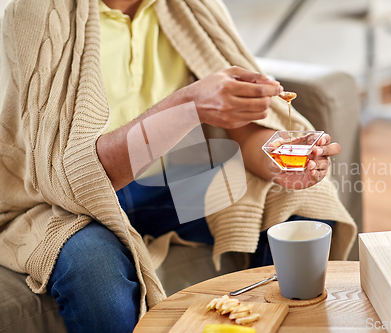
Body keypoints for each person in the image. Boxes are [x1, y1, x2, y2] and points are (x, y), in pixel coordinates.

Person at [0, 0, 357, 332]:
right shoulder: (38, 11)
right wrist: (188, 104)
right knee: (95, 272)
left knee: (303, 209)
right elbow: (73, 176)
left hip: (172, 181)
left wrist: (279, 160)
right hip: (65, 201)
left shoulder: (190, 6)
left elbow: (243, 134)